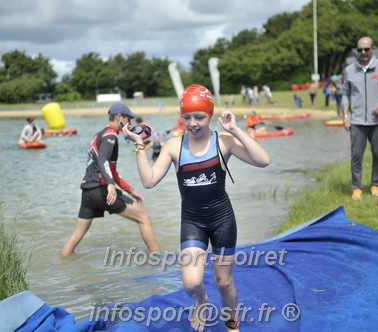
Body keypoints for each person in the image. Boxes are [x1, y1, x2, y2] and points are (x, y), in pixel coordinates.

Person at [123, 84, 270, 331]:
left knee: (224, 282)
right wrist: (139, 145)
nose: (193, 123)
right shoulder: (173, 146)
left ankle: (232, 325)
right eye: (187, 117)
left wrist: (235, 129)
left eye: (199, 117)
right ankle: (202, 300)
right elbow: (148, 181)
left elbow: (263, 161)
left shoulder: (223, 142)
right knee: (191, 284)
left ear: (210, 116)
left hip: (223, 220)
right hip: (192, 222)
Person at [61, 103, 159, 256]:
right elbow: (103, 160)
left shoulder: (100, 134)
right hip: (102, 190)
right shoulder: (111, 135)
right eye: (128, 119)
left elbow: (111, 171)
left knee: (76, 236)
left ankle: (63, 261)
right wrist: (111, 185)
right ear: (119, 117)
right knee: (144, 218)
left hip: (88, 192)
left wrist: (131, 191)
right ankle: (157, 258)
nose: (130, 123)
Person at [342, 37, 378, 200]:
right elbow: (345, 93)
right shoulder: (350, 70)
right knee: (356, 155)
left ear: (373, 49)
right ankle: (357, 187)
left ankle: (375, 185)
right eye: (360, 50)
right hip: (357, 120)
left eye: (366, 49)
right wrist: (345, 115)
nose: (363, 52)